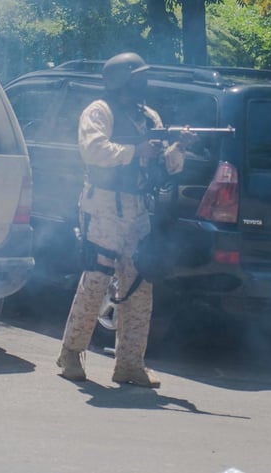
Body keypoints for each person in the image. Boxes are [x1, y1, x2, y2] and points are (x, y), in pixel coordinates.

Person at [56, 52, 191, 388]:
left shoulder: (149, 117)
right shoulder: (99, 111)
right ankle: (71, 352)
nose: (143, 84)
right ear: (121, 81)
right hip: (103, 207)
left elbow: (166, 166)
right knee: (97, 281)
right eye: (137, 78)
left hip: (137, 211)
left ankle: (130, 364)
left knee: (138, 287)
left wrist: (179, 147)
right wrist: (135, 151)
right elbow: (93, 149)